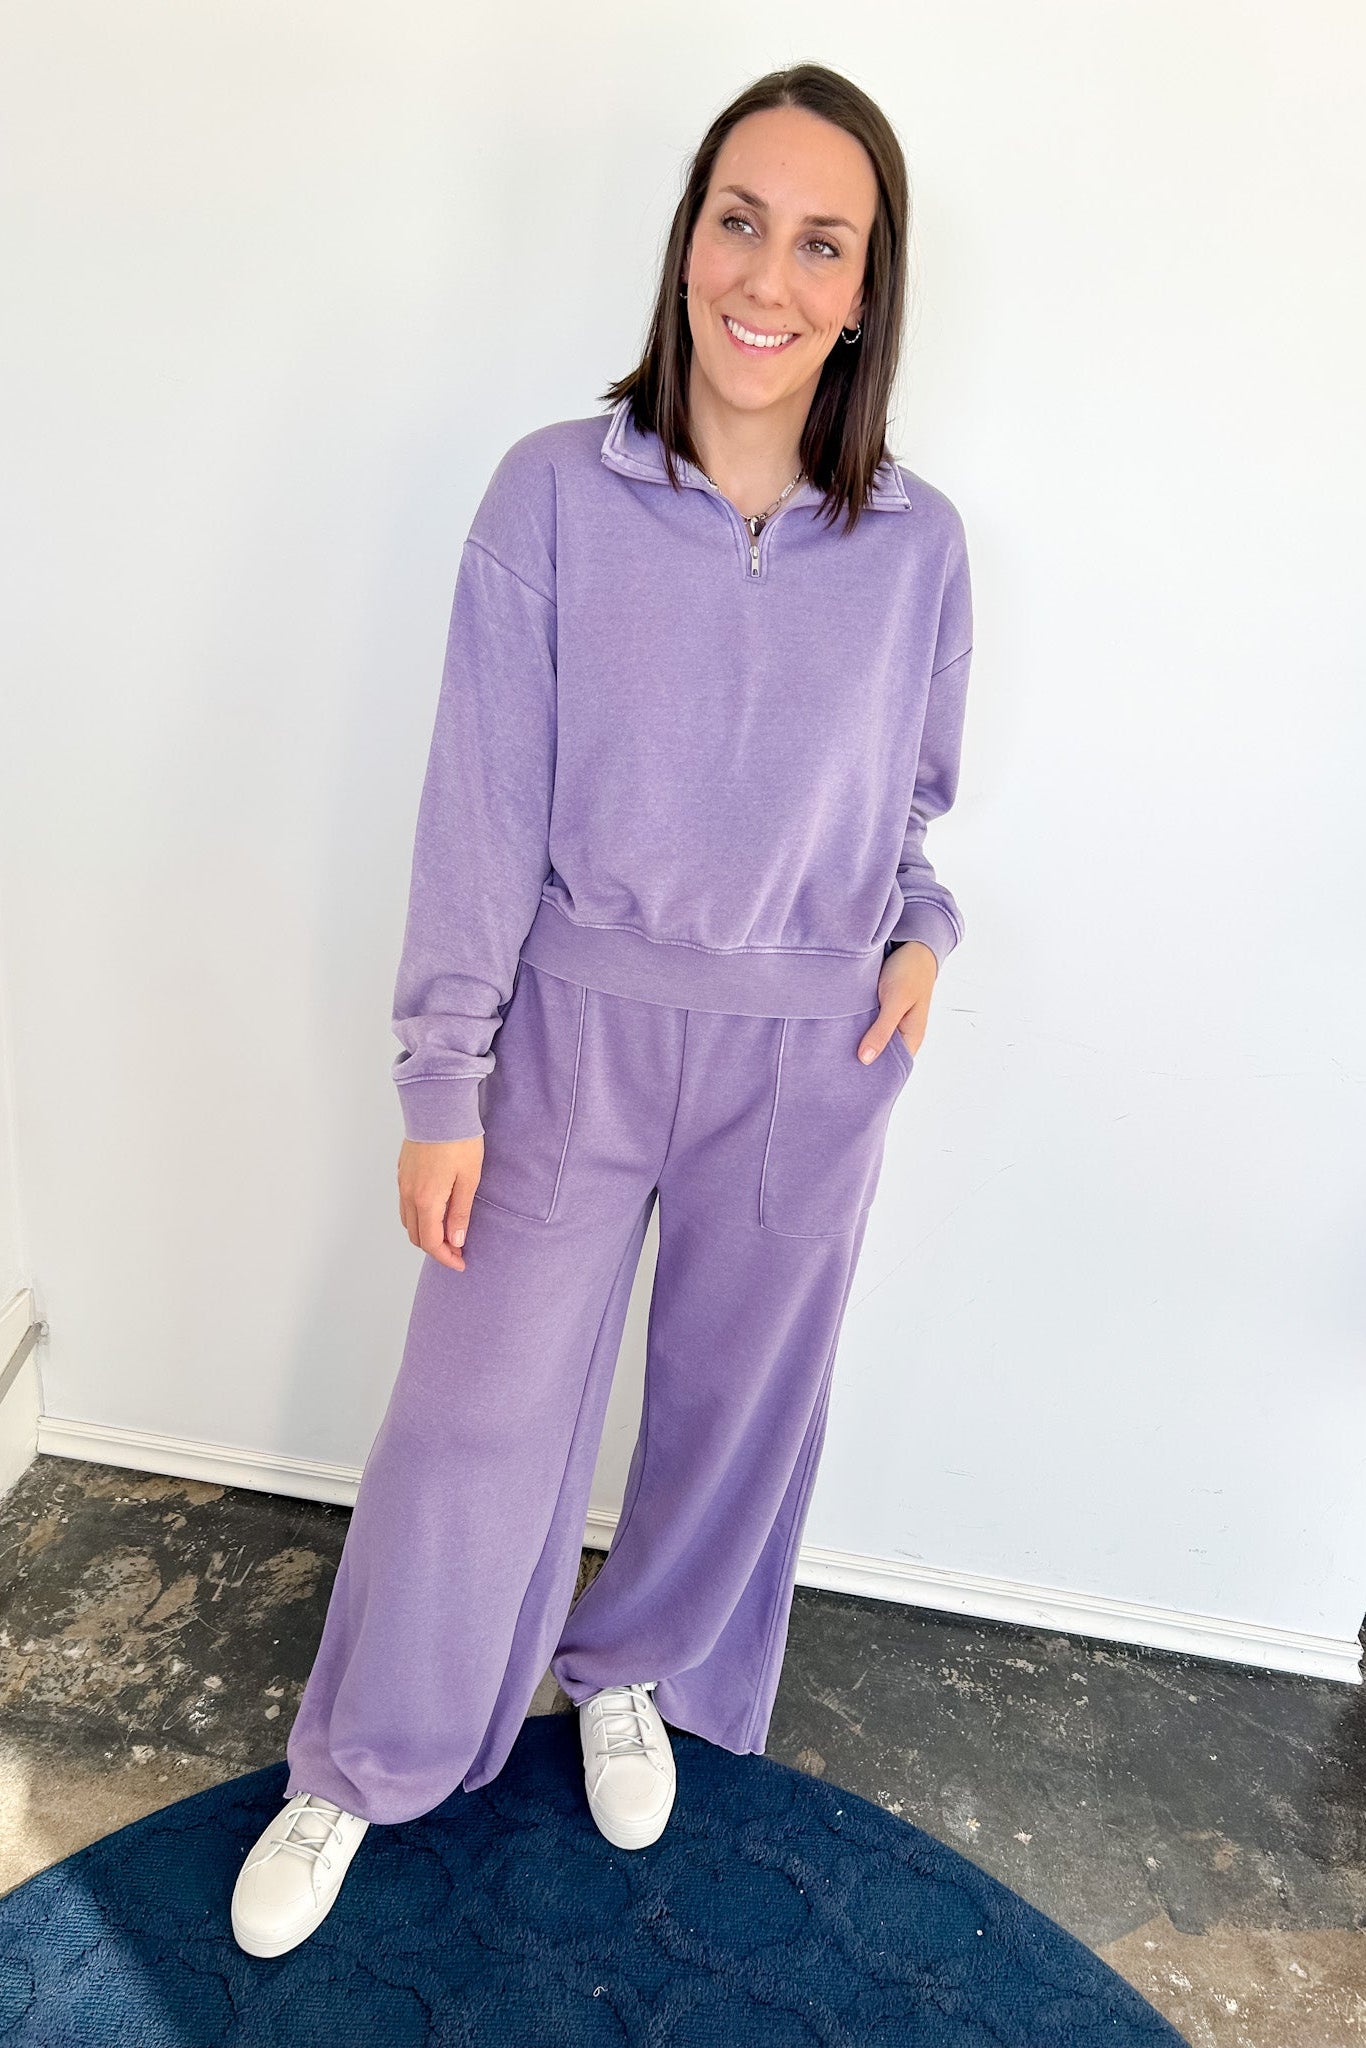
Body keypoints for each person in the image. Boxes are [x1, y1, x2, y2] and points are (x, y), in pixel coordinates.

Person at [231, 60, 974, 1958]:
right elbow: (478, 804)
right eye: (740, 220)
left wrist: (919, 935)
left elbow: (907, 810)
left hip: (808, 1048)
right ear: (686, 240)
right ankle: (364, 1759)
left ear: (864, 292)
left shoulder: (917, 546)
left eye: (822, 243)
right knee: (471, 1422)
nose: (768, 276)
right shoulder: (552, 494)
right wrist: (442, 1078)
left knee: (732, 1415)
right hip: (574, 1028)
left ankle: (630, 1664)